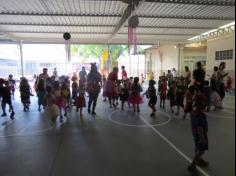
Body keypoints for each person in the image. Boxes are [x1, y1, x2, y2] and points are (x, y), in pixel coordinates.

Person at [188, 94, 209, 174]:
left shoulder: (193, 112)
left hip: (195, 134)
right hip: (201, 135)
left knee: (198, 146)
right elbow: (200, 127)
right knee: (201, 150)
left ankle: (200, 160)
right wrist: (203, 138)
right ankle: (192, 166)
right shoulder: (201, 115)